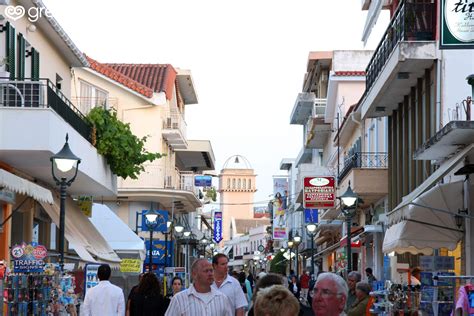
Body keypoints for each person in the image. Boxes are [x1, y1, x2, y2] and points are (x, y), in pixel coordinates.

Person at [164, 258, 232, 316]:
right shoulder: (179, 300)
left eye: (211, 270)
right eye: (206, 271)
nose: (210, 274)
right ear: (194, 274)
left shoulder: (222, 299)